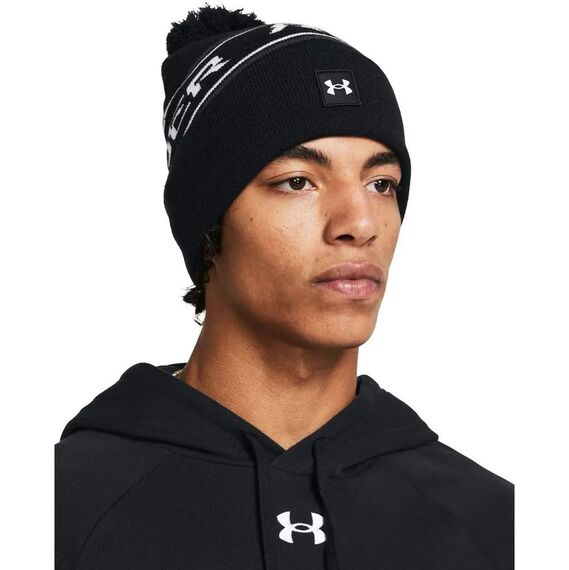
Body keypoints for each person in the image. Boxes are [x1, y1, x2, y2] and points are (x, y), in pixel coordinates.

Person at [55, 5, 514, 569]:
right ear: (208, 222)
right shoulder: (58, 511)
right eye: (298, 181)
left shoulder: (494, 522)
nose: (360, 223)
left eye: (381, 183)